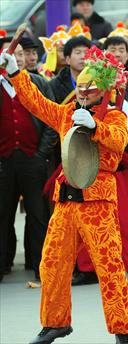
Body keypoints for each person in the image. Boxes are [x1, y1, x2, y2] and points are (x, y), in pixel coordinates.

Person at [1, 45, 128, 344]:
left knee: (110, 268)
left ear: (103, 90)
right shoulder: (67, 114)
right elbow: (35, 102)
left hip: (98, 203)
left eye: (89, 88)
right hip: (67, 200)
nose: (83, 92)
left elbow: (118, 142)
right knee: (51, 263)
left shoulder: (114, 116)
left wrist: (97, 126)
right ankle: (55, 323)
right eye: (81, 87)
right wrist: (14, 73)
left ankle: (122, 330)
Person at [73, 35, 128, 288]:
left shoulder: (119, 101)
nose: (88, 88)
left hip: (116, 171)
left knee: (127, 222)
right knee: (89, 223)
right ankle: (87, 268)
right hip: (88, 171)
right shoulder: (77, 103)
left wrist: (105, 129)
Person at [0, 43, 57, 283]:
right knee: (3, 215)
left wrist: (41, 154)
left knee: (37, 214)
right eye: (11, 54)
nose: (17, 58)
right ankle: (3, 263)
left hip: (33, 159)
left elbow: (52, 120)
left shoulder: (39, 82)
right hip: (4, 161)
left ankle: (39, 263)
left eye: (21, 54)